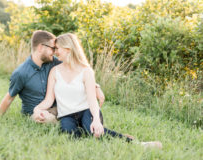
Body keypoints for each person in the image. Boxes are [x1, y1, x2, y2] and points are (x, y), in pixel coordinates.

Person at [33, 33, 162, 148]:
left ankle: (138, 144)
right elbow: (49, 99)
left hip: (86, 111)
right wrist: (37, 109)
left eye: (57, 48)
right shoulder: (54, 71)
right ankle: (98, 133)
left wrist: (96, 120)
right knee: (69, 136)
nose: (54, 52)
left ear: (68, 49)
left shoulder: (86, 71)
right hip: (66, 115)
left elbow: (91, 99)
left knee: (93, 130)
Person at [0, 30, 105, 124]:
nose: (55, 52)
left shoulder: (54, 63)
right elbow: (9, 98)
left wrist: (96, 86)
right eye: (53, 48)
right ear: (40, 47)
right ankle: (71, 124)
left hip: (58, 109)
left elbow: (77, 71)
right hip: (37, 112)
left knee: (69, 115)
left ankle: (76, 123)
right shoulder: (21, 73)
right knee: (43, 118)